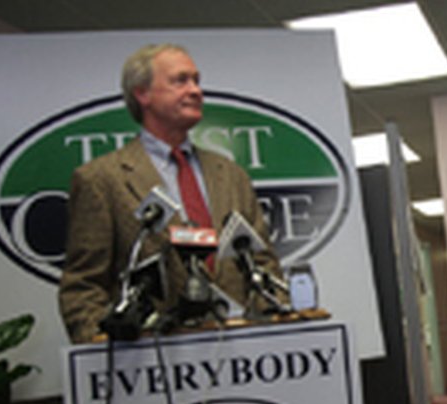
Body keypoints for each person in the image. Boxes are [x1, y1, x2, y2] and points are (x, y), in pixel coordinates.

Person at [59, 44, 282, 343]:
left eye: (196, 81)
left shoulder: (231, 175)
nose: (195, 91)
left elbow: (264, 263)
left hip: (242, 353)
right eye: (180, 81)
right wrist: (101, 347)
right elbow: (84, 286)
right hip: (151, 362)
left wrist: (271, 329)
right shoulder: (101, 180)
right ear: (143, 94)